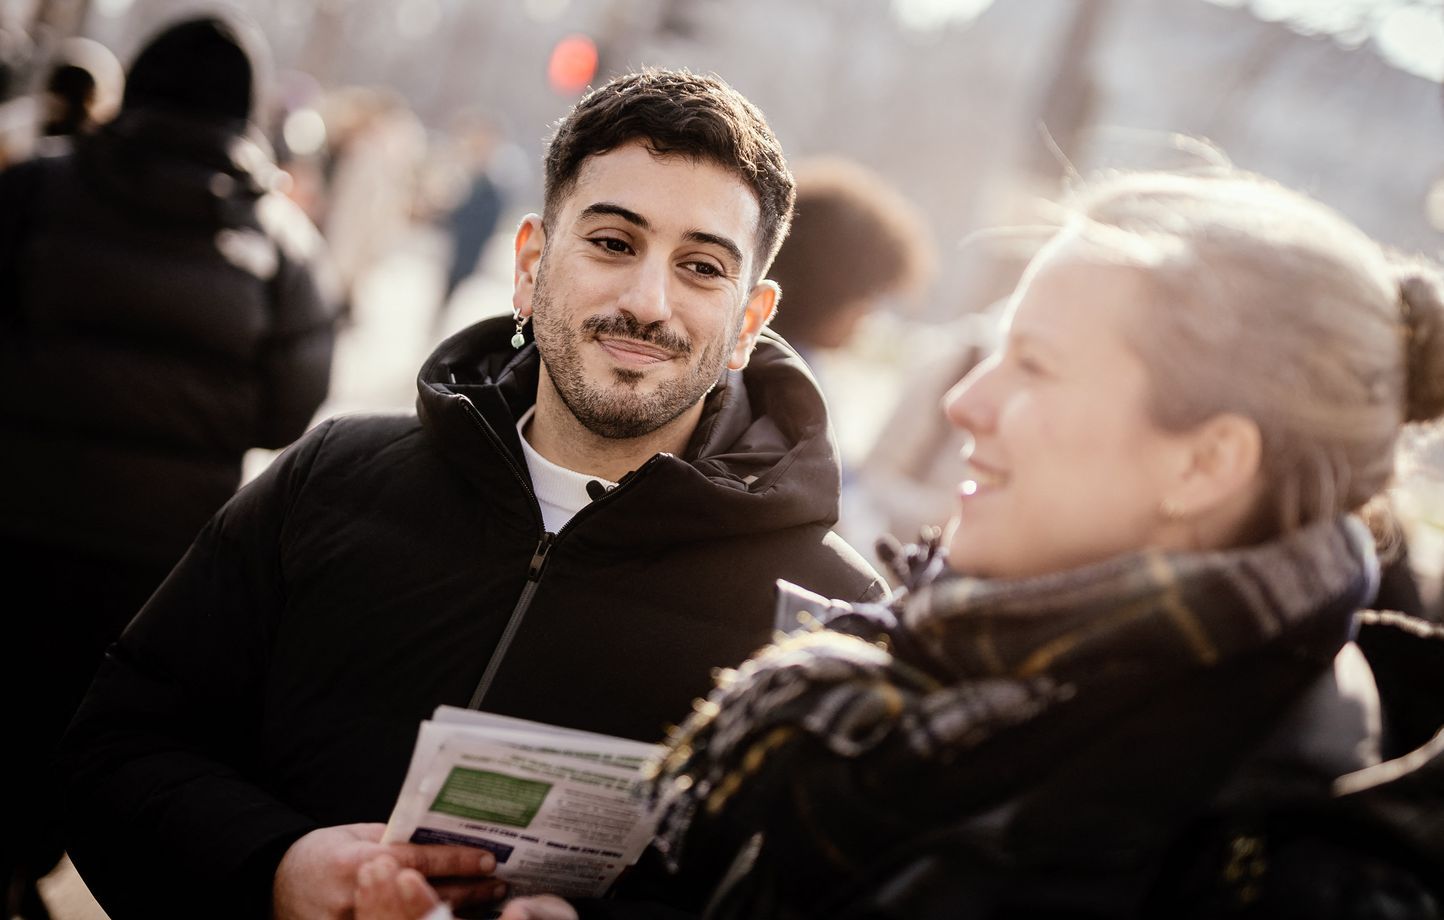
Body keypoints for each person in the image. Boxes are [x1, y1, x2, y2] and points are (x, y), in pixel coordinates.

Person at [369, 168, 1444, 919]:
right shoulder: (971, 668)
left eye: (1036, 366)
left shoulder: (1266, 854)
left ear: (1203, 463)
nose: (968, 401)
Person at [59, 68, 885, 920]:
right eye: (612, 242)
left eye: (703, 266)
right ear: (531, 267)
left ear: (750, 321)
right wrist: (278, 869)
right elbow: (117, 747)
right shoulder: (329, 480)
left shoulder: (830, 618)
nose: (648, 301)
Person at [0, 14, 336, 919]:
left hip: (17, 517)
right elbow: (288, 409)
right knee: (94, 727)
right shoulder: (282, 241)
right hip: (162, 552)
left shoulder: (37, 188)